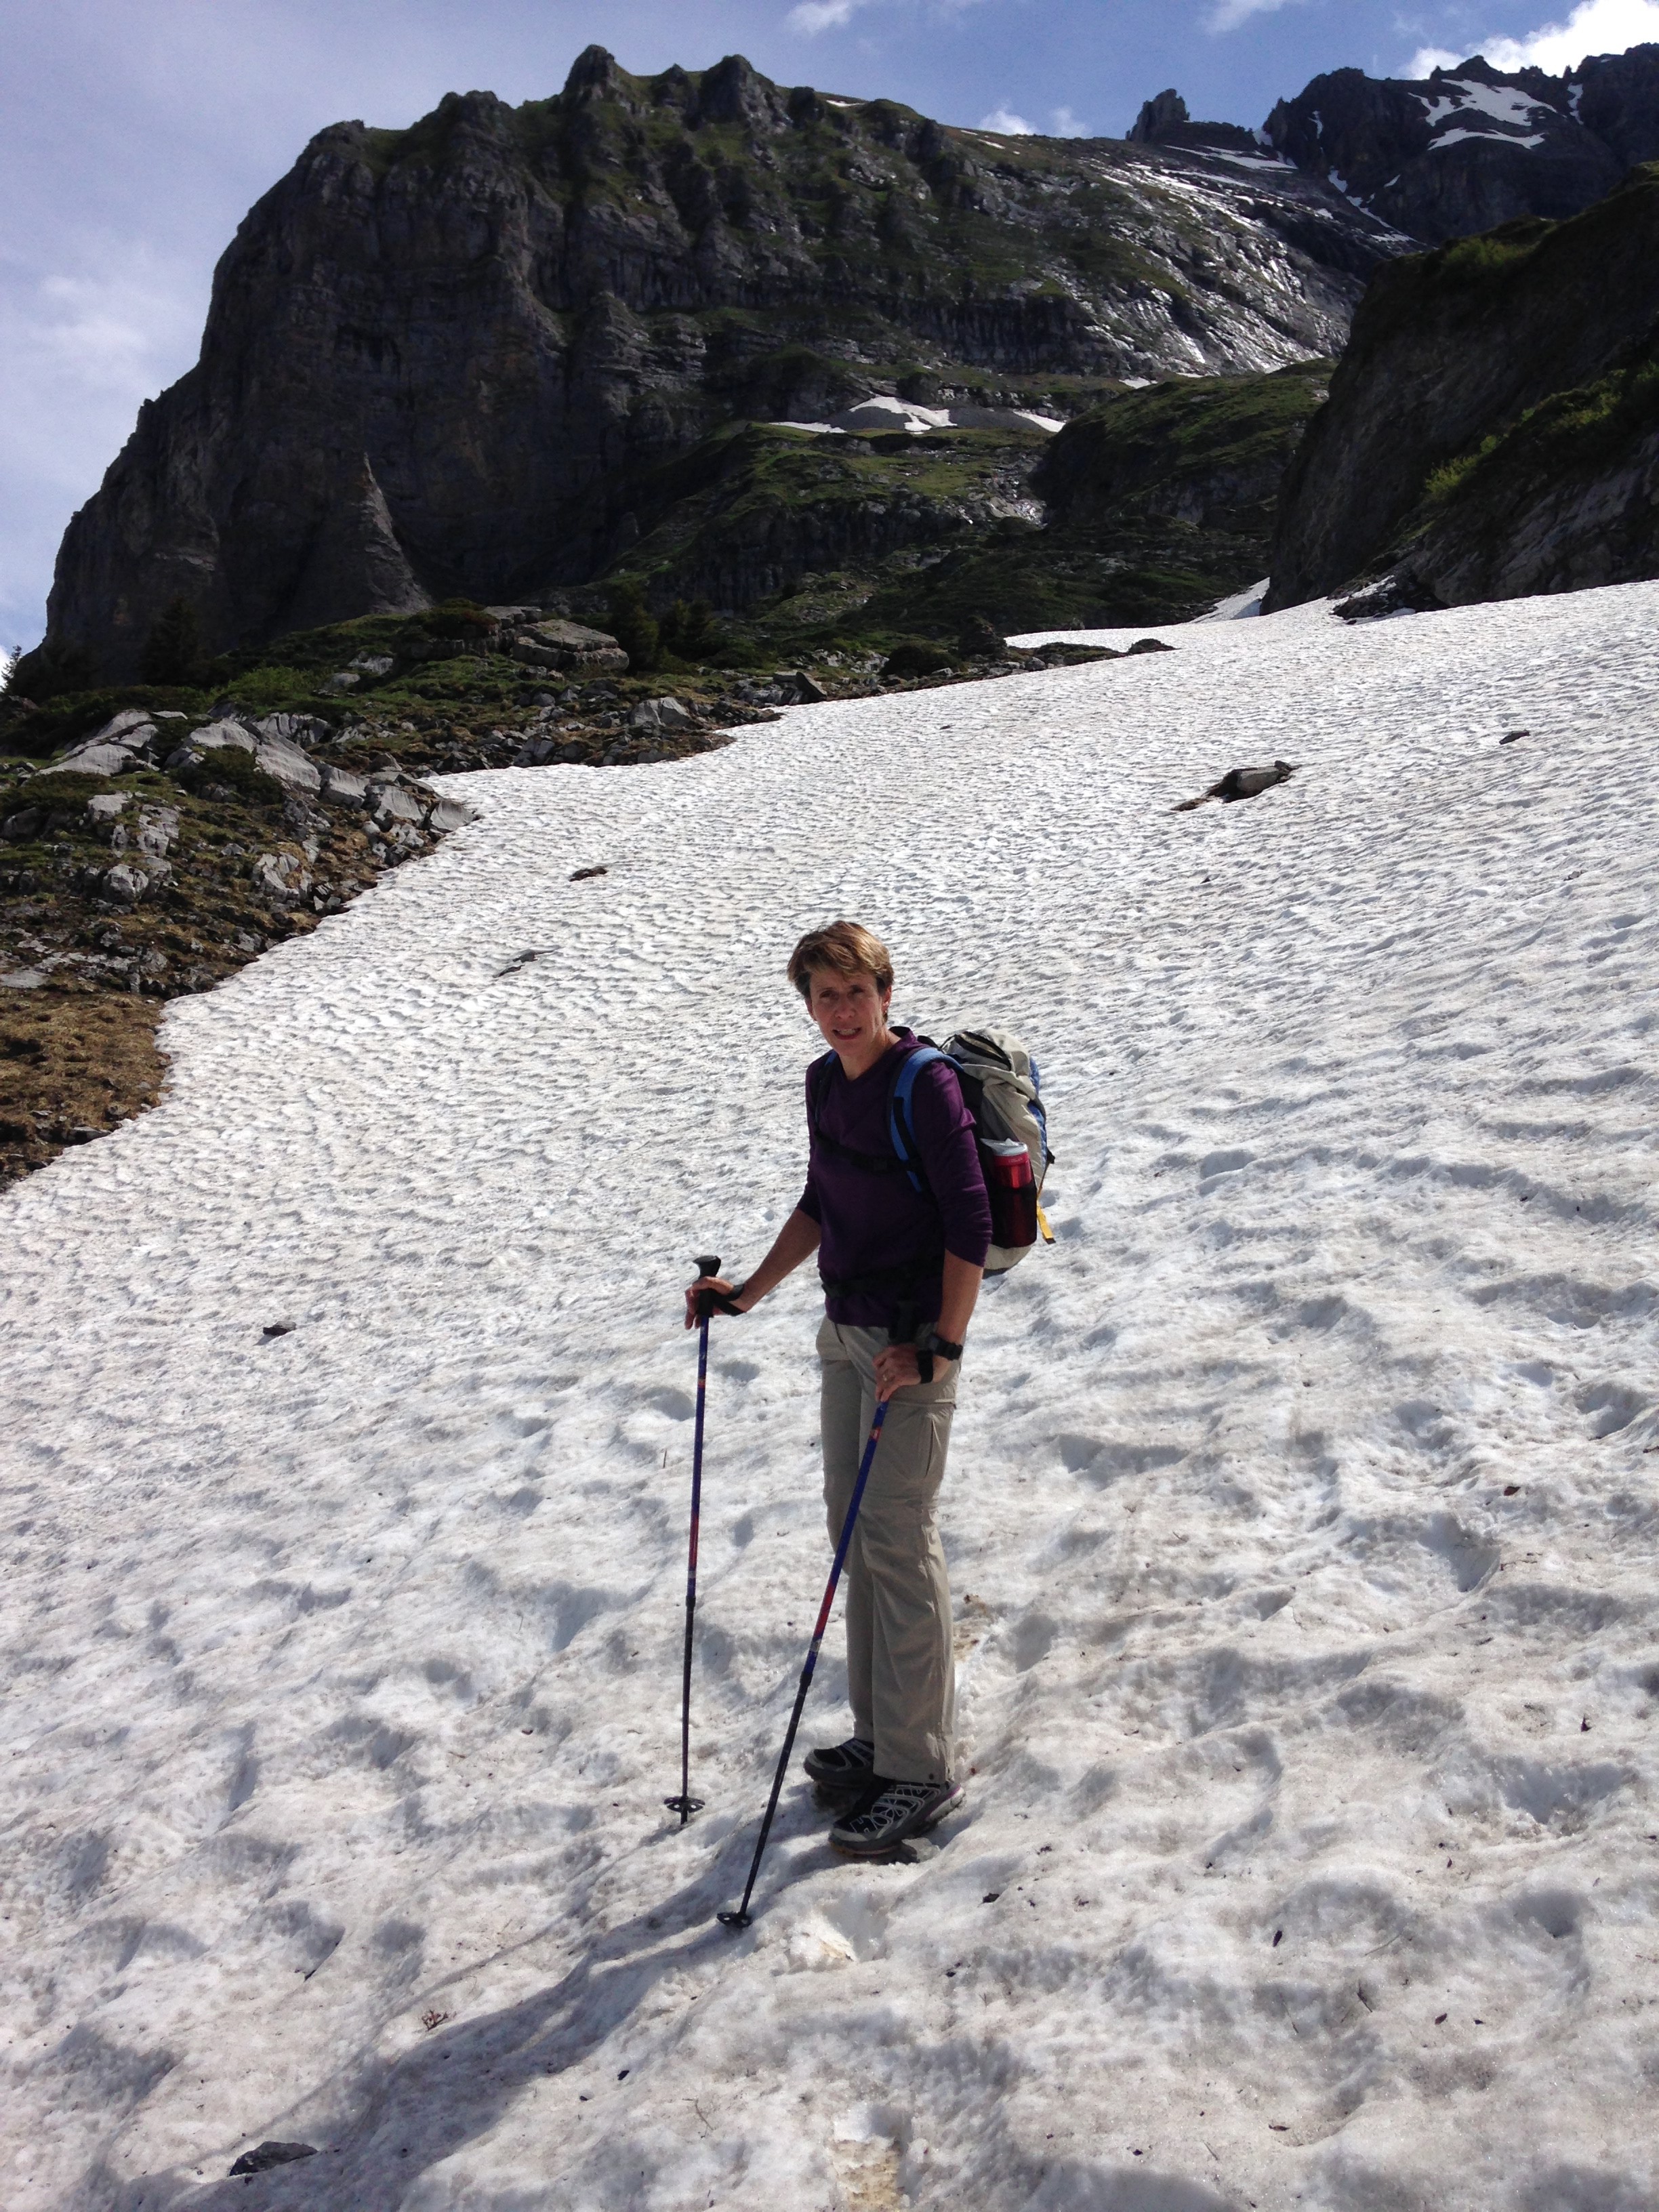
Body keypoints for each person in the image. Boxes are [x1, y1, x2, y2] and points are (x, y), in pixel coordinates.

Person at [684, 920, 991, 1856]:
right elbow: (822, 1201)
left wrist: (941, 1348)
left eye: (857, 991)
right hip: (845, 1332)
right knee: (856, 1533)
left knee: (897, 1537)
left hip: (909, 1347)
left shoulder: (924, 1084)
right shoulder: (825, 1082)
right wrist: (746, 1292)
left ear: (886, 993)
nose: (843, 1011)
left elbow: (970, 1221)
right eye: (826, 996)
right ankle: (881, 1734)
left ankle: (922, 1763)